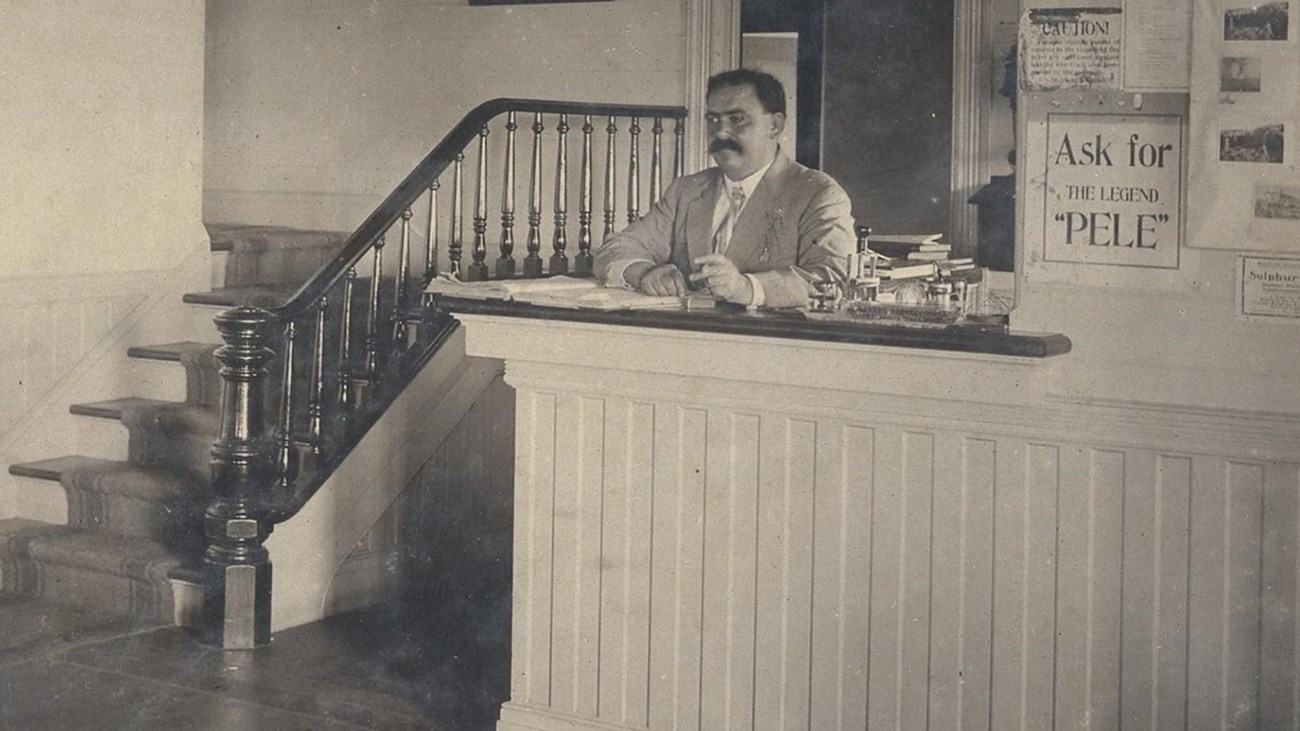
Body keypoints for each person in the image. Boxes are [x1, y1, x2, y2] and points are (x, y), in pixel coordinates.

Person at [594, 69, 857, 309]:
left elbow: (833, 277)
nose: (721, 132)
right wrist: (644, 273)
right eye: (713, 120)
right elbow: (617, 246)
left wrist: (747, 288)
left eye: (738, 119)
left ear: (774, 126)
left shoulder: (817, 193)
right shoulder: (687, 190)